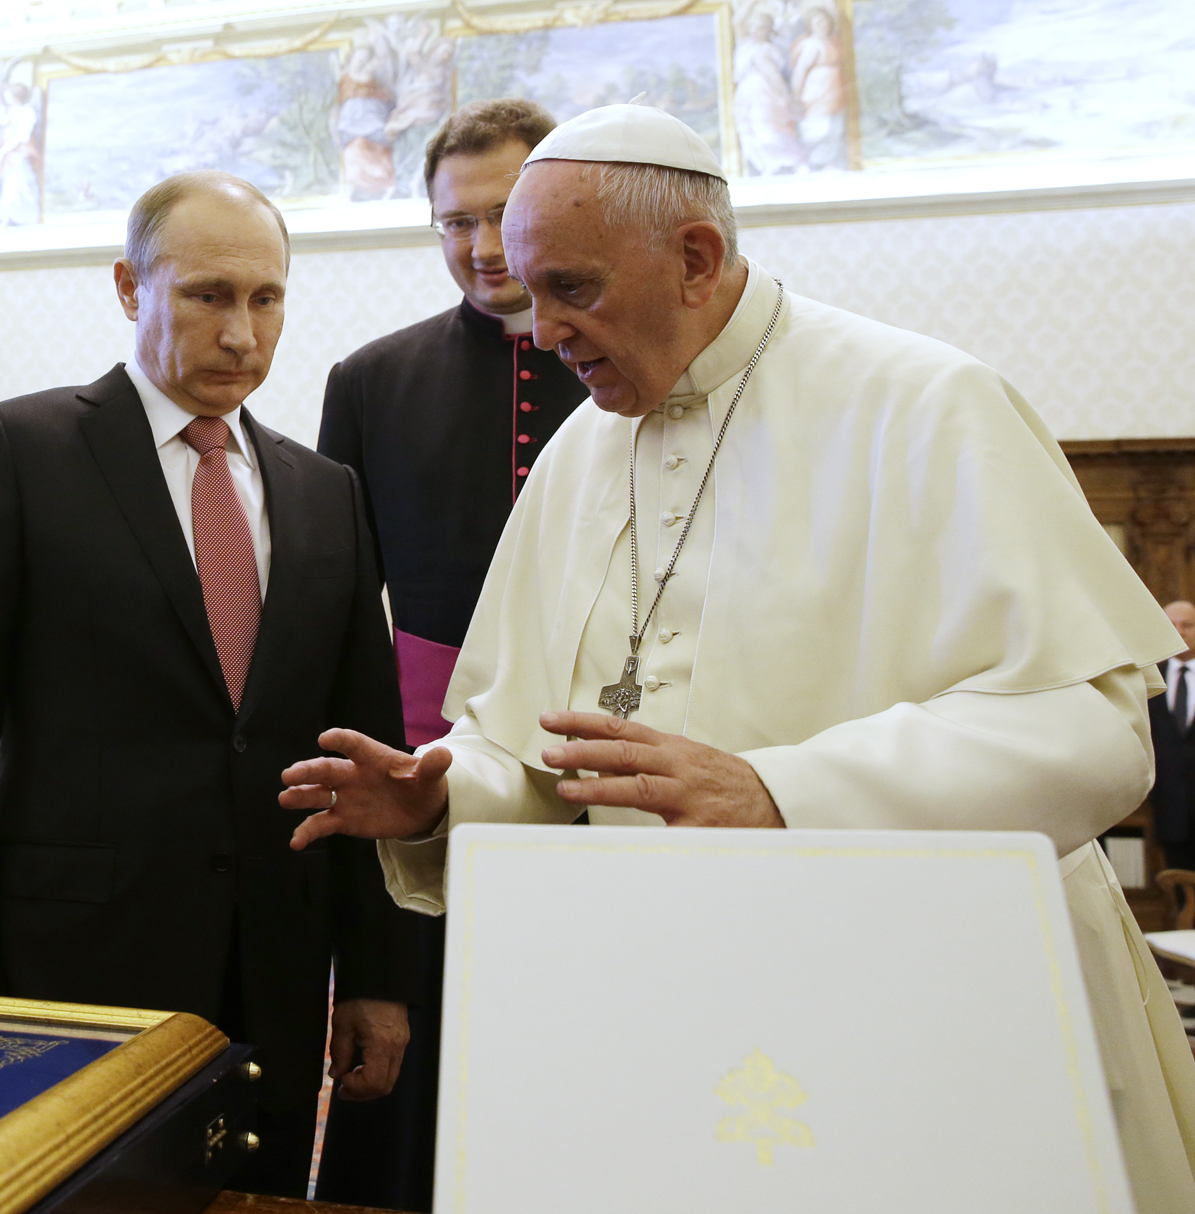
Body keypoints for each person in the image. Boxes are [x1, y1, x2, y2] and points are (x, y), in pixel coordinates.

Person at [279, 104, 1195, 1209]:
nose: (543, 329)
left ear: (696, 258)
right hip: (672, 997)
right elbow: (534, 751)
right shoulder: (581, 451)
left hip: (930, 1005)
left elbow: (1095, 734)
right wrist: (442, 793)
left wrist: (781, 792)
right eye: (532, 291)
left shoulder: (923, 403)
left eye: (573, 288)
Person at [0, 170, 417, 1197]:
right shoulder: (22, 450)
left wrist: (376, 977)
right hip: (75, 971)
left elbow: (363, 752)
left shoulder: (326, 492)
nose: (242, 332)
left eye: (266, 298)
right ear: (131, 288)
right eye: (208, 295)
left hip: (273, 972)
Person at [311, 97, 582, 1212]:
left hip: (596, 773)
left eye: (501, 215)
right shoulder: (371, 379)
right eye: (453, 222)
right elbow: (336, 615)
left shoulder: (626, 363)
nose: (479, 246)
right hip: (420, 777)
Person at [1150, 601, 1195, 871]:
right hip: (1168, 806)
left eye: (1187, 625)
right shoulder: (1148, 678)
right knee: (1177, 883)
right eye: (1172, 625)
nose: (1180, 632)